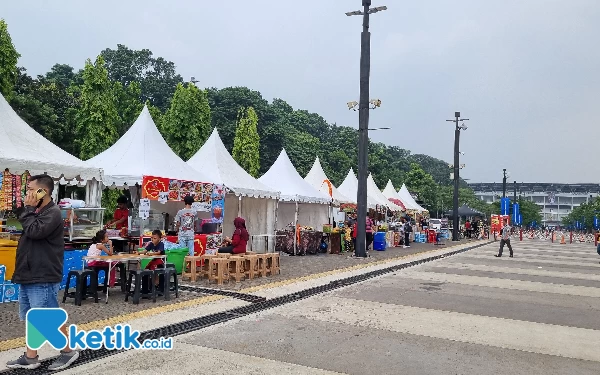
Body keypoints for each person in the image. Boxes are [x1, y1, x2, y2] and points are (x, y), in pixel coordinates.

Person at [7, 174, 79, 370]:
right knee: (34, 317)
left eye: (31, 189)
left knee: (47, 315)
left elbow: (35, 232)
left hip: (42, 273)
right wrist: (27, 210)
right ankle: (31, 357)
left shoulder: (53, 212)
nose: (27, 193)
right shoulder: (37, 211)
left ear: (43, 191)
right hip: (30, 272)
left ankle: (68, 351)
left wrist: (28, 210)